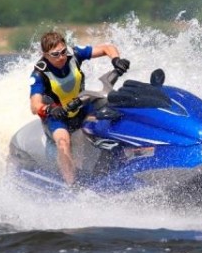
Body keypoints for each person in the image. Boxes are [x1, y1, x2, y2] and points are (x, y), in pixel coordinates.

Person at [29, 31, 130, 186]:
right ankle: (71, 185)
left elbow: (106, 48)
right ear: (45, 55)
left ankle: (124, 164)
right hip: (57, 116)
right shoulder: (39, 74)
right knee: (63, 142)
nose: (61, 57)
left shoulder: (74, 54)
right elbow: (35, 106)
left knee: (114, 115)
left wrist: (116, 60)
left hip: (81, 106)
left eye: (63, 52)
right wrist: (51, 110)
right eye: (55, 54)